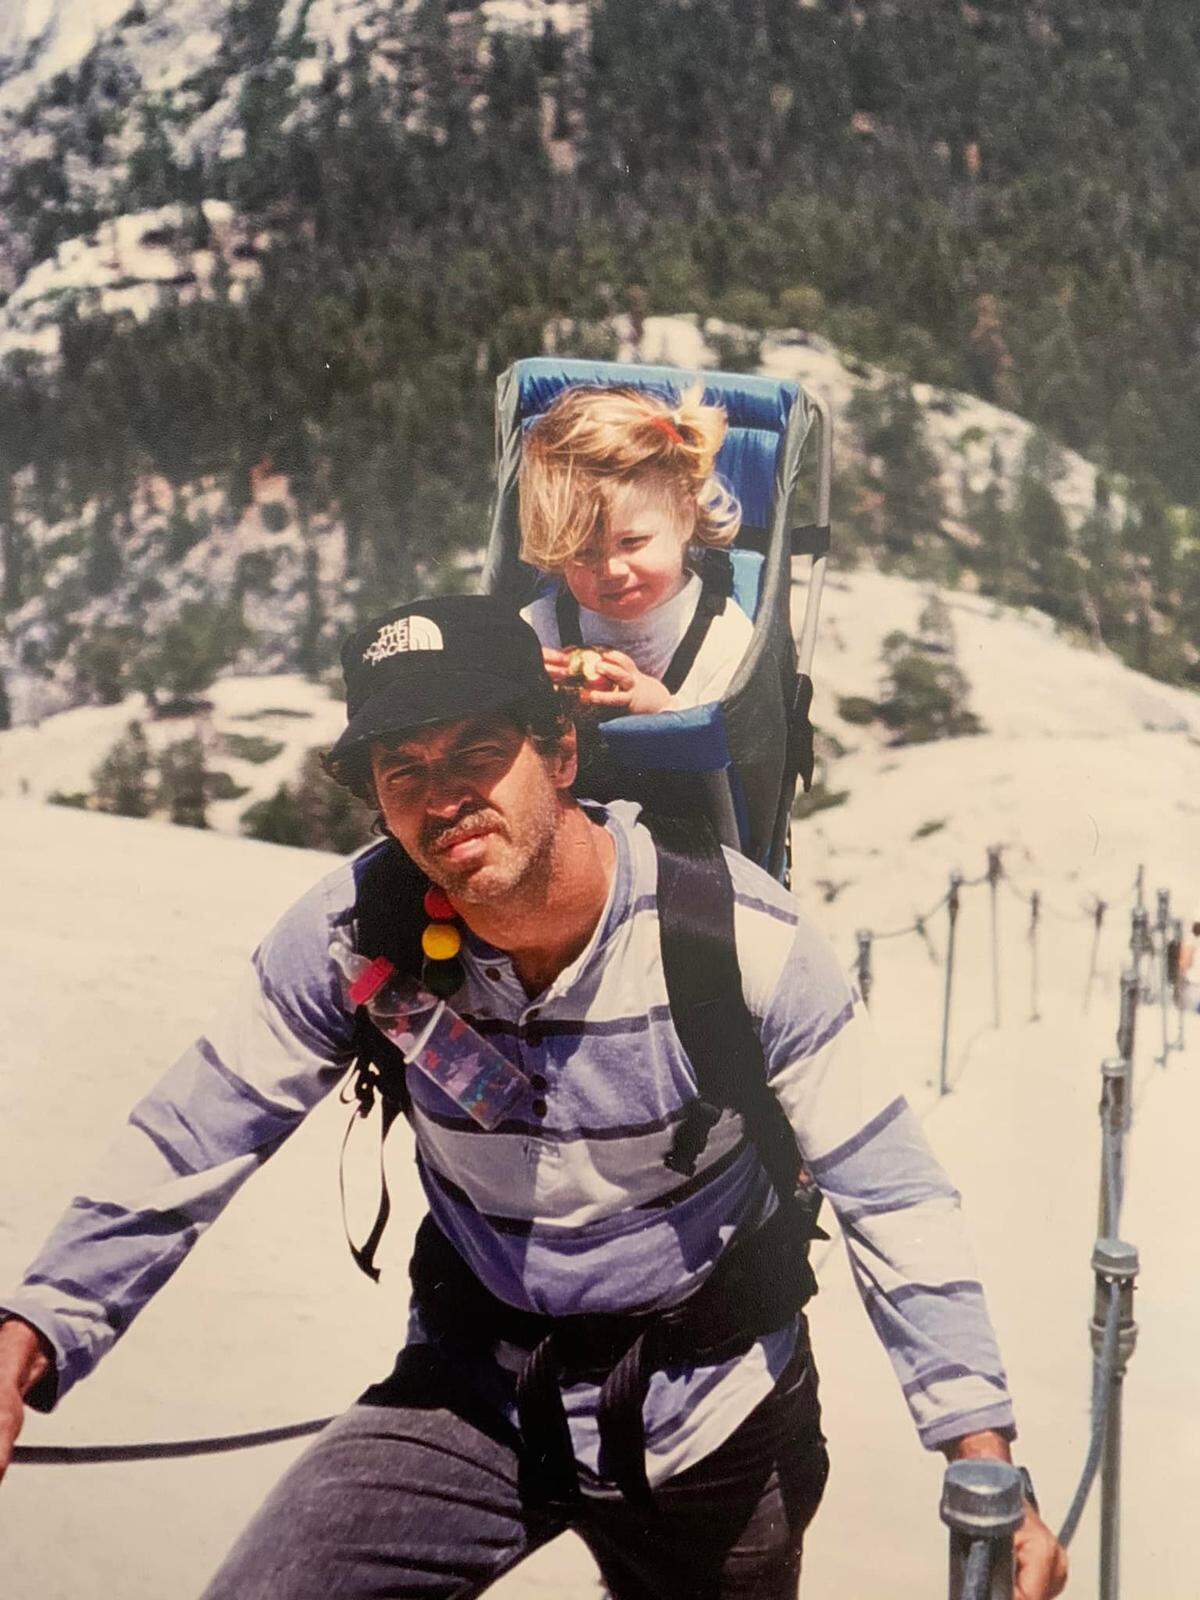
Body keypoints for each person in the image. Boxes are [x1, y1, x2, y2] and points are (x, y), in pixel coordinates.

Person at [0, 596, 1067, 1600]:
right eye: (402, 768)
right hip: (472, 1391)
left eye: (477, 751)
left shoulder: (734, 938)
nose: (442, 796)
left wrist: (983, 1459)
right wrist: (32, 1332)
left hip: (713, 1415)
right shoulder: (357, 935)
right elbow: (195, 1128)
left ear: (559, 751)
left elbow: (894, 1194)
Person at [518, 383, 755, 716]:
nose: (611, 570)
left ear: (685, 518)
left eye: (632, 542)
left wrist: (662, 707)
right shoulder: (537, 631)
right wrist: (524, 688)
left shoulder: (724, 637)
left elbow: (735, 750)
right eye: (584, 553)